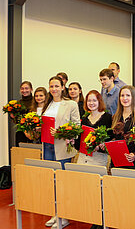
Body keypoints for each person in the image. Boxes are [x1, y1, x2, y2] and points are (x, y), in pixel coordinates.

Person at [42, 76, 80, 229]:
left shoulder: (70, 104)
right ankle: (56, 213)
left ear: (63, 87)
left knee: (63, 183)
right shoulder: (48, 104)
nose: (54, 89)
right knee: (53, 182)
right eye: (51, 86)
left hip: (62, 148)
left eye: (57, 86)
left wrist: (61, 132)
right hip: (47, 146)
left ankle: (64, 216)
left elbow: (77, 126)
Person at [111, 86, 135, 170]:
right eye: (122, 95)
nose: (125, 98)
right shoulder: (115, 117)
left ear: (133, 97)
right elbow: (113, 137)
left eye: (128, 95)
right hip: (117, 159)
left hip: (132, 160)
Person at [76, 90, 113, 167]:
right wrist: (72, 141)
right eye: (89, 101)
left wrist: (100, 146)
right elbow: (79, 142)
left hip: (98, 159)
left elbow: (110, 138)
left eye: (94, 100)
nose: (91, 103)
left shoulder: (108, 118)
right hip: (83, 158)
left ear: (99, 101)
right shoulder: (84, 119)